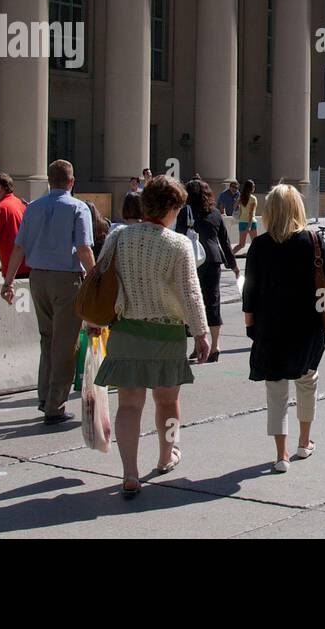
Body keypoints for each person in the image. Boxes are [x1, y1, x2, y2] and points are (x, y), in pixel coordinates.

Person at [93, 175, 210, 499]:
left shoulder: (119, 236)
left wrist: (91, 320)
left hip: (126, 330)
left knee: (129, 405)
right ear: (171, 208)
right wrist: (201, 333)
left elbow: (99, 280)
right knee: (168, 401)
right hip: (167, 334)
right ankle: (166, 454)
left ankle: (129, 472)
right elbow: (191, 294)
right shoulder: (178, 244)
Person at [244, 184, 325, 473]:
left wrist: (251, 325)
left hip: (270, 327)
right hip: (307, 327)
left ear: (270, 211)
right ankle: (304, 442)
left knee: (276, 390)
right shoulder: (312, 240)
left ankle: (281, 454)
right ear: (298, 209)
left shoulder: (259, 245)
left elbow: (249, 291)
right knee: (307, 382)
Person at [1, 161, 94, 424]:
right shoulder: (78, 207)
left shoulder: (33, 208)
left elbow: (19, 247)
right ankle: (55, 405)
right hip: (66, 279)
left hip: (37, 277)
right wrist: (98, 278)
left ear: (49, 183)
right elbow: (84, 248)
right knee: (66, 344)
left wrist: (8, 282)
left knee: (47, 338)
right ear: (72, 182)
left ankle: (44, 395)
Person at [184, 180, 239, 362]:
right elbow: (225, 242)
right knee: (213, 302)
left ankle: (197, 345)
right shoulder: (215, 213)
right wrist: (234, 266)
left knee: (193, 303)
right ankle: (215, 346)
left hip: (192, 261)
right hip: (214, 261)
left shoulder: (185, 213)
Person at [231, 180, 259, 254]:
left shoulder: (241, 197)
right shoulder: (253, 198)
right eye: (253, 186)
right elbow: (251, 213)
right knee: (255, 243)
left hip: (242, 222)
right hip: (251, 223)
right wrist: (249, 225)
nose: (254, 188)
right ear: (250, 188)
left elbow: (234, 206)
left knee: (241, 244)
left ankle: (229, 256)